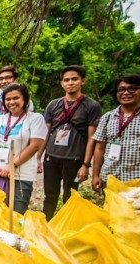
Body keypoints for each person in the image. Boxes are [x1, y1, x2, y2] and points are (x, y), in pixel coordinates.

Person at [39, 65, 101, 218]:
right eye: (66, 80)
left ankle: (67, 225)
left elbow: (92, 137)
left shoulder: (91, 106)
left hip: (74, 159)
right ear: (62, 83)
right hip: (52, 157)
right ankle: (46, 223)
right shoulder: (53, 105)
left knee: (70, 195)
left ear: (82, 81)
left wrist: (86, 164)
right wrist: (38, 157)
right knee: (50, 195)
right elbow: (45, 132)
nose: (70, 83)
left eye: (74, 79)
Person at [0, 83, 47, 214]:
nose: (11, 102)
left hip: (21, 176)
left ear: (25, 99)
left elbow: (35, 145)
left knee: (16, 215)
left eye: (16, 98)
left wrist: (12, 166)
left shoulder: (35, 118)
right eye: (8, 99)